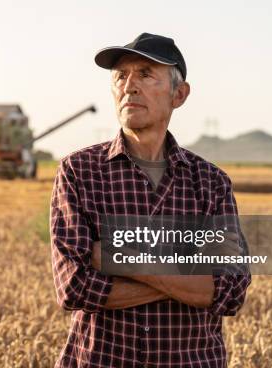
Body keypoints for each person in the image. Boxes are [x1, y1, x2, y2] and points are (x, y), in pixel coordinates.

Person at [50, 32, 252, 367]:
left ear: (179, 94)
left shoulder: (211, 183)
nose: (129, 85)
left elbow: (229, 292)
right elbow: (75, 287)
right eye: (120, 76)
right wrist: (187, 272)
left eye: (145, 74)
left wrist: (125, 261)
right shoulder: (79, 172)